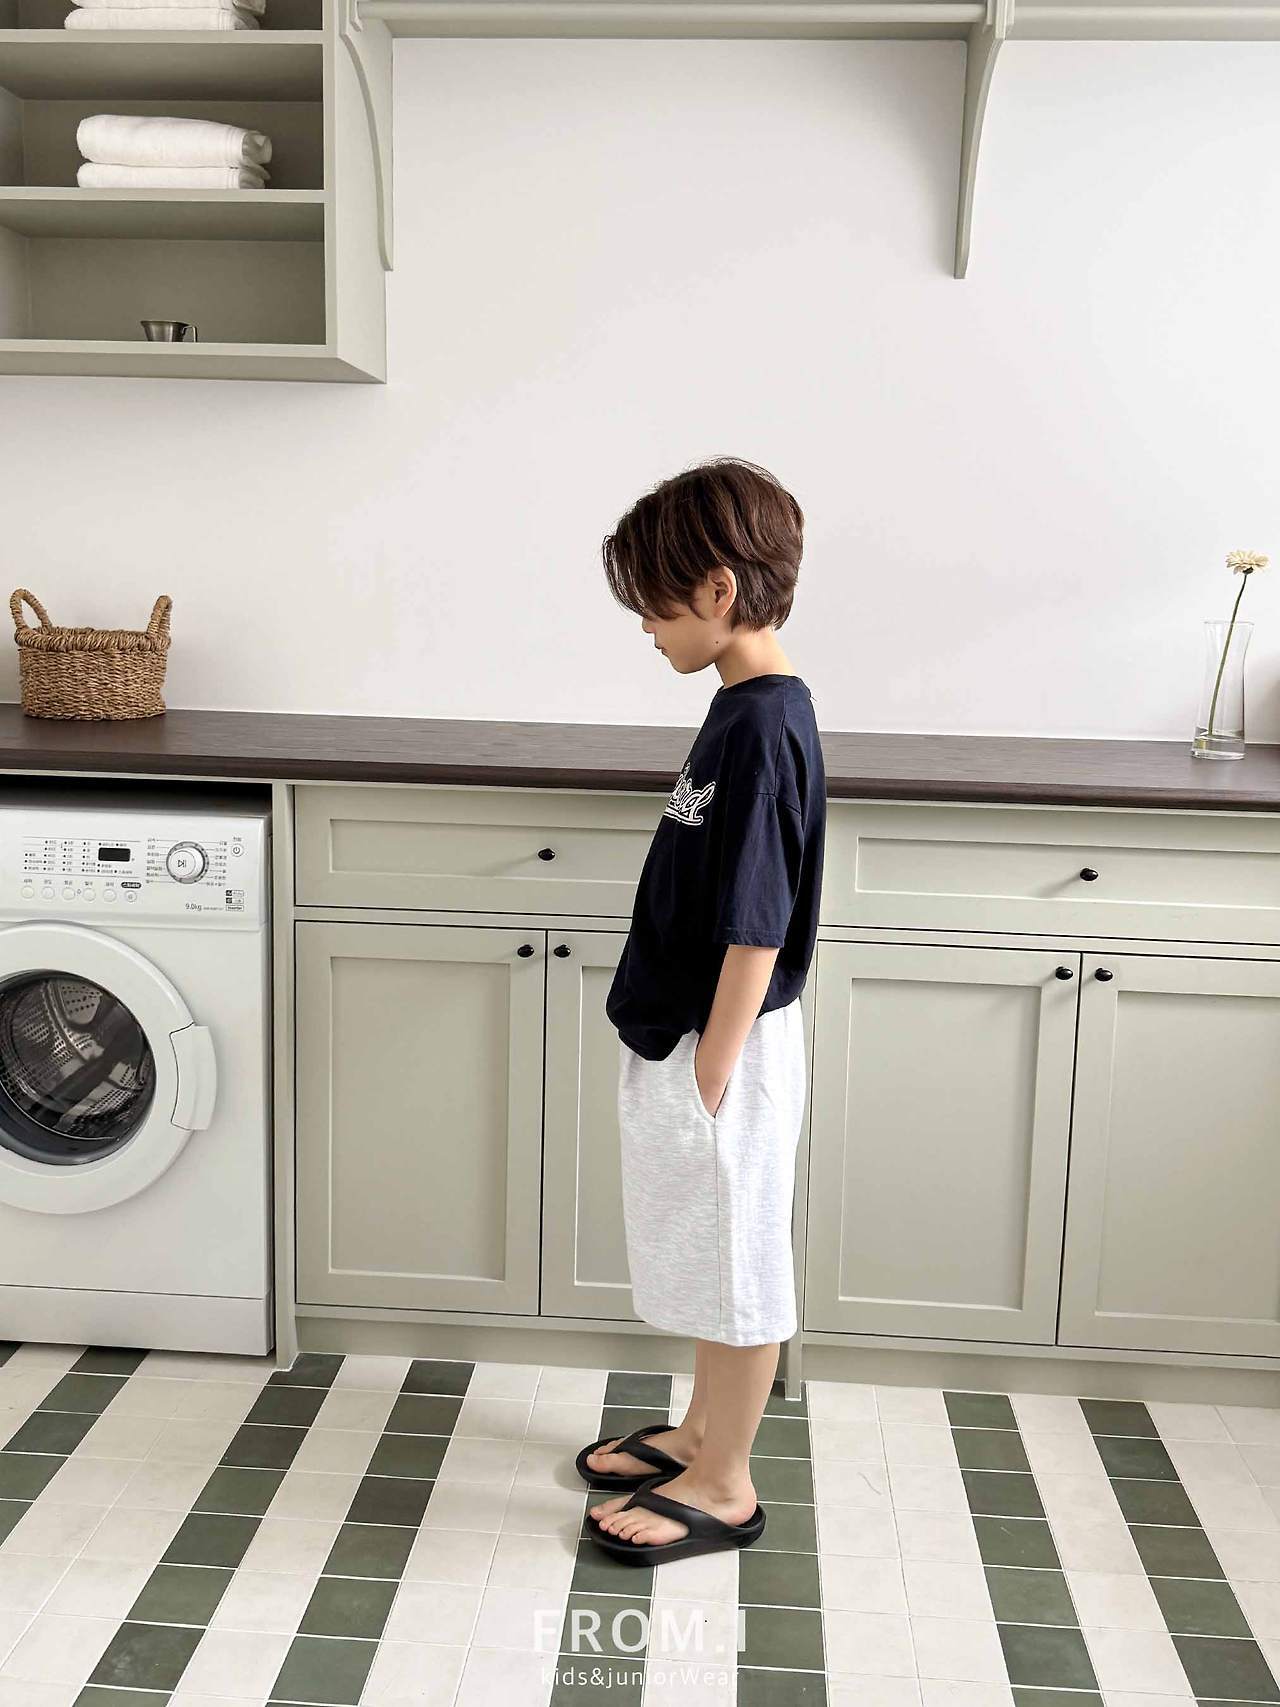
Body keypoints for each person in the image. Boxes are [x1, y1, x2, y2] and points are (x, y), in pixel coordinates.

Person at [578, 457, 827, 1565]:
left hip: (725, 1043)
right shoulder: (739, 708)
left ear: (718, 590)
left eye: (653, 602)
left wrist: (712, 1068)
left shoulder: (765, 726)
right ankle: (698, 1433)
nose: (643, 624)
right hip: (699, 1035)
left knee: (739, 1262)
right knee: (710, 1251)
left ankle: (724, 1482)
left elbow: (756, 923)